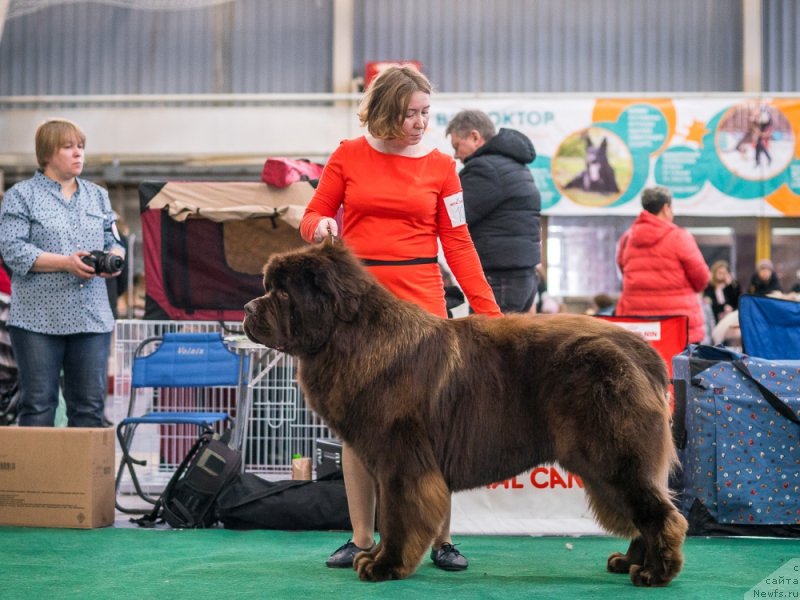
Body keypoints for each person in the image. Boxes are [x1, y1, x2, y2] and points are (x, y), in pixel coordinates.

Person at [299, 66, 502, 572]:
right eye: (410, 113)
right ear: (385, 111)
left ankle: (443, 540)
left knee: (435, 427)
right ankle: (361, 536)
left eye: (426, 113)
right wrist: (320, 224)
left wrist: (488, 310)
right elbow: (312, 215)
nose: (420, 123)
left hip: (422, 307)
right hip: (358, 310)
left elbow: (457, 241)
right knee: (356, 427)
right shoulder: (347, 154)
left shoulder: (441, 166)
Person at [0, 118, 125, 427]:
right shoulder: (21, 196)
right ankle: (38, 477)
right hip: (37, 321)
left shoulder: (98, 195)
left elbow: (115, 241)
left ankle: (85, 477)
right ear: (46, 154)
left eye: (80, 147)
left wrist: (113, 258)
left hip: (91, 319)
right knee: (39, 405)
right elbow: (13, 250)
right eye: (68, 147)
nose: (77, 154)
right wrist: (66, 263)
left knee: (89, 409)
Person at [445, 109, 541, 313]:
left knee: (489, 343)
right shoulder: (515, 165)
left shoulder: (484, 169)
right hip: (523, 278)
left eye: (457, 146)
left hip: (499, 279)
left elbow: (453, 217)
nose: (456, 155)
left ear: (474, 137)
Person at [616, 186, 709, 344]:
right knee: (679, 368)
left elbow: (623, 274)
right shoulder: (679, 237)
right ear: (666, 208)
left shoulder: (627, 238)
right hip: (677, 326)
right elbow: (701, 279)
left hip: (638, 328)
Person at [703, 260, 740, 324]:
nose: (722, 275)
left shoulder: (732, 286)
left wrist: (730, 286)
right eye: (720, 273)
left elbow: (736, 301)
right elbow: (709, 302)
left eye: (724, 273)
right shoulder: (709, 286)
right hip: (715, 318)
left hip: (730, 317)